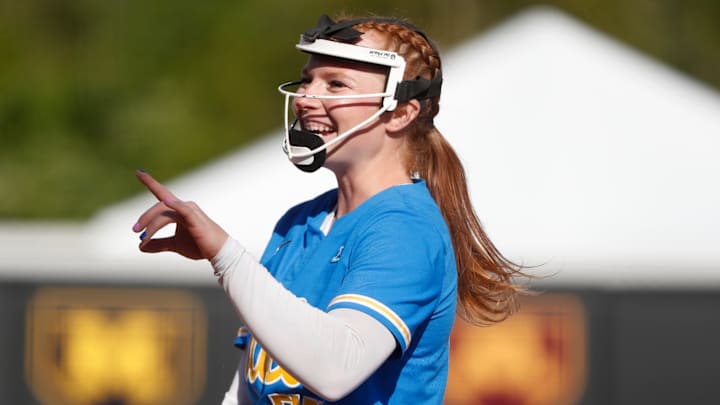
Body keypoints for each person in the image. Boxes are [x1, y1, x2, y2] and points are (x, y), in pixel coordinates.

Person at [132, 14, 527, 404]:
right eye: (307, 81)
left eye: (335, 84)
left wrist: (225, 255)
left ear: (401, 113)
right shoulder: (299, 221)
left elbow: (336, 369)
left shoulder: (405, 228)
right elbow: (252, 386)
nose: (305, 98)